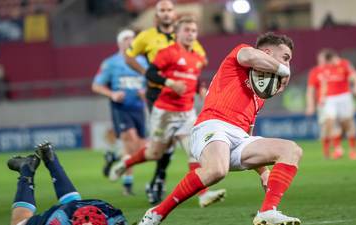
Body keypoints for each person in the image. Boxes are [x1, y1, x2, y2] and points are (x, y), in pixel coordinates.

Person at [138, 32, 303, 225]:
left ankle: (267, 211)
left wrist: (264, 172)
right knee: (216, 171)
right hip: (212, 126)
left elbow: (248, 134)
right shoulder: (241, 53)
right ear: (266, 52)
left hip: (239, 139)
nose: (287, 64)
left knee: (291, 150)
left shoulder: (261, 93)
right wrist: (284, 71)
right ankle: (157, 213)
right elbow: (250, 56)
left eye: (288, 61)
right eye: (285, 58)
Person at [108, 16, 226, 208]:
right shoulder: (167, 53)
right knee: (154, 153)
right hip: (164, 112)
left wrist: (205, 96)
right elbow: (151, 73)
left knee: (195, 153)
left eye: (193, 31)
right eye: (186, 30)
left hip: (187, 113)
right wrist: (170, 83)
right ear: (177, 33)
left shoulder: (196, 57)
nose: (190, 34)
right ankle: (126, 163)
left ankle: (203, 195)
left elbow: (194, 81)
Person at [120, 0, 208, 204]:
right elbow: (129, 57)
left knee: (175, 143)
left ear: (174, 14)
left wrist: (194, 82)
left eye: (170, 10)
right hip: (157, 94)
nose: (167, 13)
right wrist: (147, 74)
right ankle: (158, 179)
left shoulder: (186, 37)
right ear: (156, 15)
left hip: (181, 97)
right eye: (162, 10)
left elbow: (201, 60)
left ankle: (158, 179)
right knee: (164, 144)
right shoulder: (146, 36)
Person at [8, 141, 128, 225]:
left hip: (87, 207)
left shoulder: (116, 218)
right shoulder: (58, 220)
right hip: (65, 214)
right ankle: (27, 169)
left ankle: (51, 159)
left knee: (73, 204)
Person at [92, 29, 148, 195]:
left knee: (138, 149)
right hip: (121, 109)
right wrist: (112, 94)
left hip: (138, 109)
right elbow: (96, 86)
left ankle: (115, 158)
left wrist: (145, 91)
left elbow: (150, 83)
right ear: (119, 43)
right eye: (126, 39)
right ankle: (128, 185)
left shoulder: (142, 62)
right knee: (130, 140)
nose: (129, 41)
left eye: (132, 38)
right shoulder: (110, 63)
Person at [306, 48, 356, 160]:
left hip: (344, 96)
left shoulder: (344, 64)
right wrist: (322, 97)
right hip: (329, 99)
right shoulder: (322, 69)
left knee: (347, 122)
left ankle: (353, 149)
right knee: (330, 121)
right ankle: (338, 148)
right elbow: (323, 84)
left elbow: (355, 77)